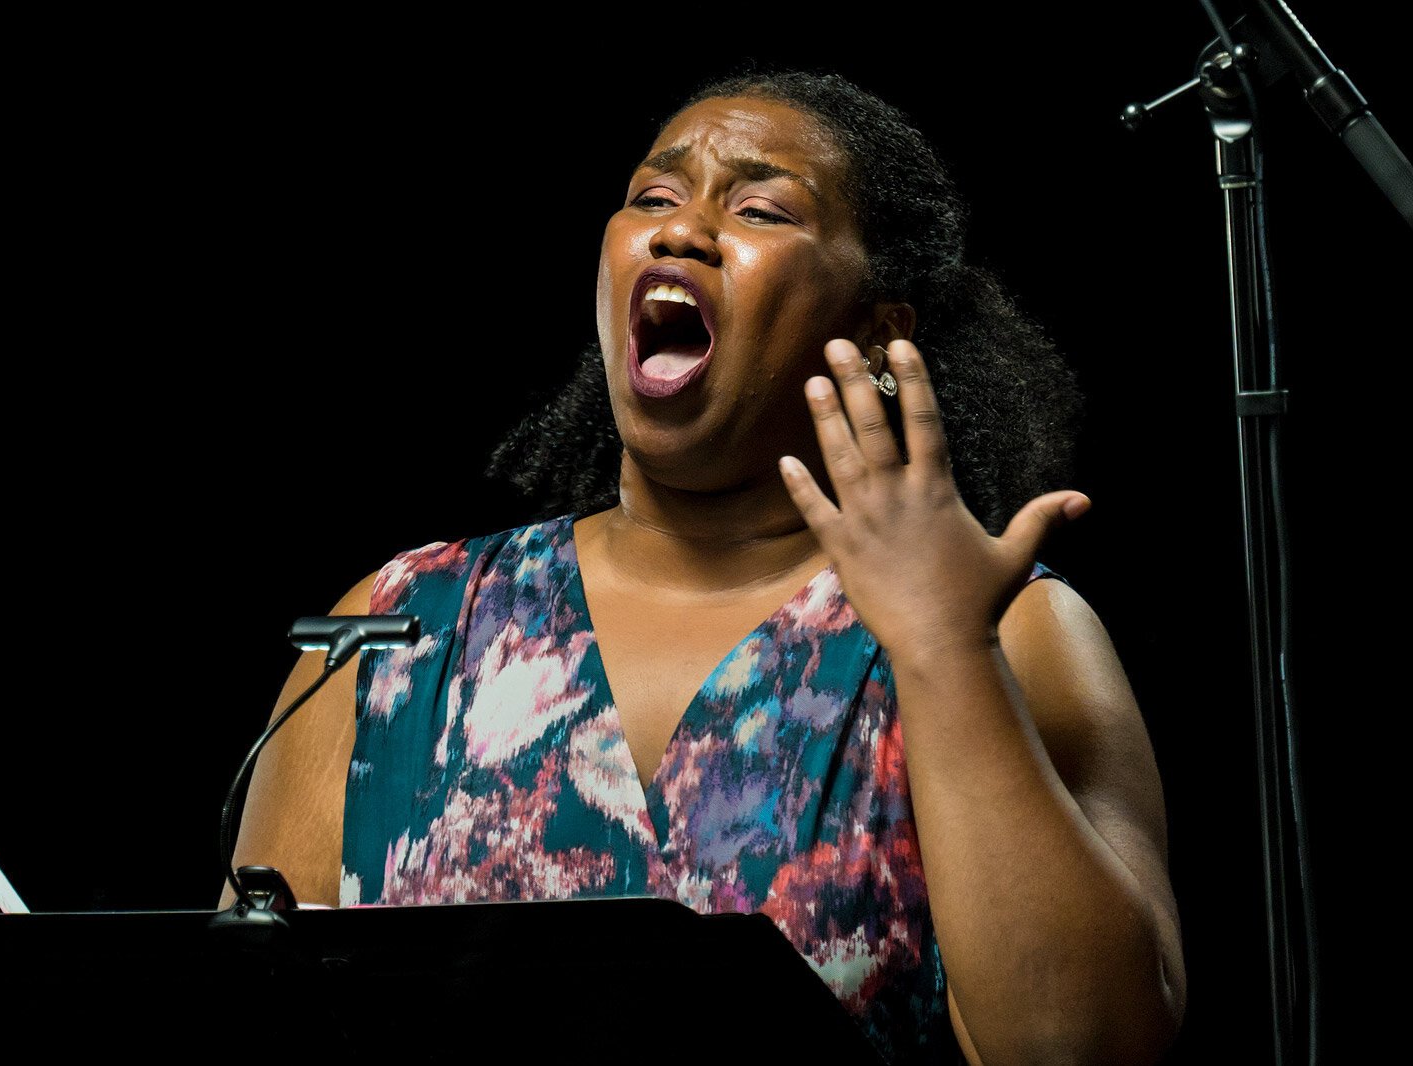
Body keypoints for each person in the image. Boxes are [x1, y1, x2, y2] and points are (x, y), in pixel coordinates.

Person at [226, 69, 1187, 1065]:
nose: (678, 230)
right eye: (652, 196)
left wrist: (944, 646)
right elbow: (247, 1025)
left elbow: (1084, 1045)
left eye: (761, 208)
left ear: (875, 328)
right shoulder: (398, 627)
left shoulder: (1011, 631)